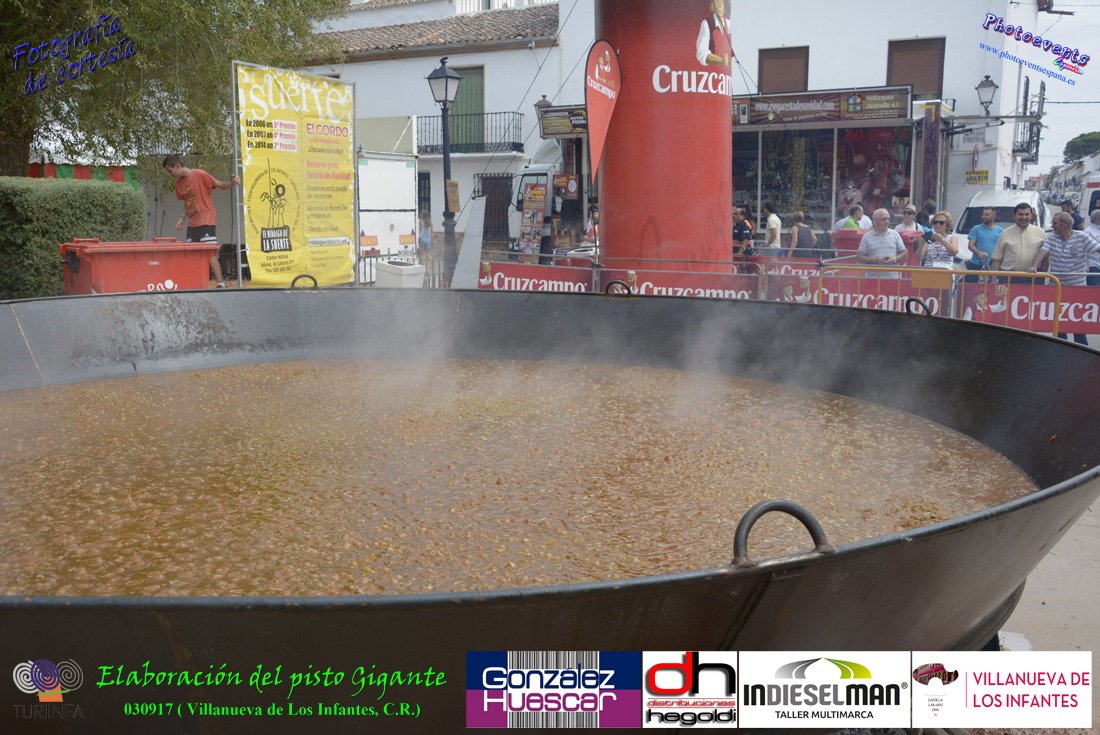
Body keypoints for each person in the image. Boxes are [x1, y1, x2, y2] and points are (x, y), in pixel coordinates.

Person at [164, 154, 240, 288]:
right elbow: (188, 201)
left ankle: (220, 283)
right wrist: (182, 218)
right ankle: (195, 284)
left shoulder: (200, 174)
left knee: (209, 253)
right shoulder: (179, 183)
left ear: (177, 166)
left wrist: (232, 183)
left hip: (206, 220)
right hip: (192, 223)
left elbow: (220, 184)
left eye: (170, 171)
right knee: (192, 254)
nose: (170, 174)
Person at [1029, 211, 1100, 345]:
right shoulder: (1052, 238)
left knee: (1077, 319)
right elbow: (1043, 252)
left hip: (1077, 288)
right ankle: (1061, 346)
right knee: (1058, 320)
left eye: (1055, 223)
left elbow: (1098, 249)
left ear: (1065, 224)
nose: (1052, 226)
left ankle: (1081, 348)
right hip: (1056, 286)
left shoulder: (1082, 237)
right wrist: (1034, 266)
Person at [990, 202, 1046, 281]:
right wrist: (993, 280)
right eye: (1020, 214)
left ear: (1031, 216)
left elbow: (1046, 258)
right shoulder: (1005, 234)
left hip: (1033, 277)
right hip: (1009, 277)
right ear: (1014, 216)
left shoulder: (1040, 233)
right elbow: (996, 259)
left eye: (1027, 214)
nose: (1024, 217)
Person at [857, 208, 907, 279]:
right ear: (875, 220)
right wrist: (873, 260)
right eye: (883, 219)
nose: (887, 221)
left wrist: (895, 259)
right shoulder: (867, 236)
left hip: (893, 280)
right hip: (873, 280)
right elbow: (859, 256)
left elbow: (904, 253)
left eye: (888, 219)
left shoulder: (895, 234)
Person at [965, 206, 1003, 282]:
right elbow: (970, 245)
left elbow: (1001, 247)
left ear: (994, 216)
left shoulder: (1000, 230)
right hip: (976, 264)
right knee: (972, 286)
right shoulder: (976, 229)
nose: (983, 217)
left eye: (987, 215)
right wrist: (979, 253)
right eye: (983, 214)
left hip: (993, 265)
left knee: (992, 286)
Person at [696, 0, 731, 67]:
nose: (720, 6)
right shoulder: (707, 23)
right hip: (711, 71)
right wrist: (721, 61)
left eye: (721, 3)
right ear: (713, 6)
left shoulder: (729, 24)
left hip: (725, 71)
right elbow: (702, 53)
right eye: (717, 3)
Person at [1085, 209, 1100, 286]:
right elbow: (1084, 250)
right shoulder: (1087, 232)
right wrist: (1086, 265)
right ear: (1098, 220)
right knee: (1095, 289)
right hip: (1093, 266)